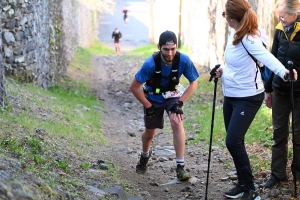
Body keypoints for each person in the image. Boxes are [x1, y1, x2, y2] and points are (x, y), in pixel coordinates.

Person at [214, 0, 298, 199]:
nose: (224, 18)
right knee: (235, 142)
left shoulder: (249, 39)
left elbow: (267, 58)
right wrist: (221, 70)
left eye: (225, 15)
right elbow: (235, 65)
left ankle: (251, 189)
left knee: (233, 141)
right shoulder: (235, 35)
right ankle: (243, 184)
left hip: (248, 97)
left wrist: (285, 73)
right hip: (232, 96)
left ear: (232, 17)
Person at [129, 30, 199, 181]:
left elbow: (194, 83)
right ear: (159, 47)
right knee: (150, 134)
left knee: (176, 121)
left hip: (173, 96)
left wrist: (180, 102)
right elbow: (134, 87)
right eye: (166, 49)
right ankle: (144, 156)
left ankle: (180, 167)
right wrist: (148, 106)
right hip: (153, 98)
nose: (170, 53)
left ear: (176, 46)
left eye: (173, 49)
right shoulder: (150, 63)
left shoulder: (184, 60)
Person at [259, 0, 300, 189]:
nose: (280, 19)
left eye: (282, 16)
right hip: (280, 90)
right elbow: (271, 59)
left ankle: (298, 175)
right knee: (279, 133)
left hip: (299, 92)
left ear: (295, 14)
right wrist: (268, 89)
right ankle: (278, 174)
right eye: (278, 16)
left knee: (298, 134)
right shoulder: (279, 29)